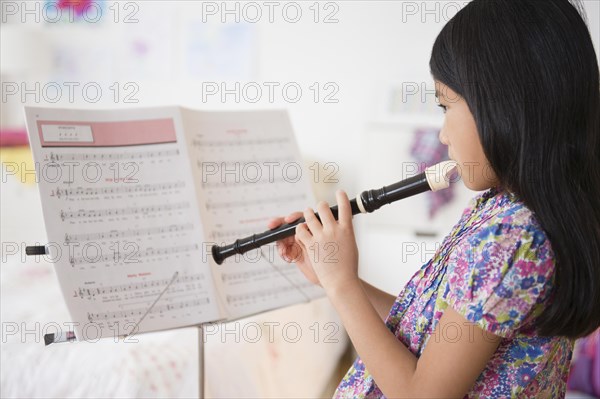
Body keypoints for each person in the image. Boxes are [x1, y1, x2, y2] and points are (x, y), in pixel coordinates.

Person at [267, 0, 600, 397]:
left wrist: (343, 287)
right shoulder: (502, 211)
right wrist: (335, 278)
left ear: (502, 105)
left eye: (445, 106)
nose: (442, 135)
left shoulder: (513, 237)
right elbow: (424, 333)